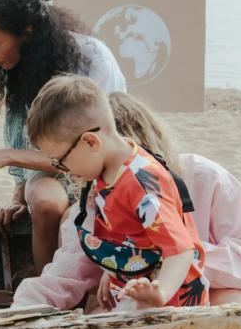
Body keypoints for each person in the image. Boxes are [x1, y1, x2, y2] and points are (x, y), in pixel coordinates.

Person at [12, 92, 241, 311]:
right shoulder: (91, 204)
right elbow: (62, 278)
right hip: (145, 306)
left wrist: (152, 260)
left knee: (227, 308)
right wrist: (18, 311)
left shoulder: (204, 178)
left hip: (228, 294)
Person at [0, 0, 126, 272]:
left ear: (27, 33)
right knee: (45, 203)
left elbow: (93, 155)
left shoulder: (93, 61)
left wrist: (4, 156)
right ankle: (48, 291)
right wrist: (18, 196)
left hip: (105, 170)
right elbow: (22, 138)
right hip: (51, 171)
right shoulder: (20, 66)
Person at [23, 75, 209, 310]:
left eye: (61, 161)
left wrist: (160, 293)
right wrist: (112, 272)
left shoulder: (142, 183)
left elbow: (181, 250)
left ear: (90, 142)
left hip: (172, 303)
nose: (64, 170)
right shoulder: (107, 171)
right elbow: (129, 233)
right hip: (135, 290)